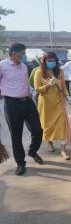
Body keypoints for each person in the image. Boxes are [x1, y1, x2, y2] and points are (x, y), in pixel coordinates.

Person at [0, 43, 44, 176]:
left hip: (27, 102)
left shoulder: (24, 66)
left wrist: (32, 91)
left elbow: (25, 82)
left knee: (38, 130)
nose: (24, 56)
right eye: (22, 53)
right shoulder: (2, 66)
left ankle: (32, 151)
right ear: (13, 53)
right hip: (12, 104)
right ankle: (20, 163)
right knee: (16, 136)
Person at [34, 52, 71, 160]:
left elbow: (63, 87)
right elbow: (37, 89)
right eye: (49, 60)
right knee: (48, 126)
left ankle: (63, 150)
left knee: (62, 126)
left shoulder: (60, 71)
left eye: (53, 60)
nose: (52, 62)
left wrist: (67, 96)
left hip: (59, 102)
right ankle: (50, 143)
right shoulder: (39, 72)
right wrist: (48, 85)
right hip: (46, 104)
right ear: (44, 61)